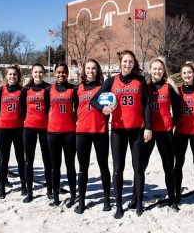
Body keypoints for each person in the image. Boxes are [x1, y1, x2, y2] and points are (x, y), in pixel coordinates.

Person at [90, 50, 150, 219]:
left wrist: (148, 127)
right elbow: (94, 100)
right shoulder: (111, 81)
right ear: (120, 63)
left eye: (130, 62)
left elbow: (146, 105)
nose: (127, 64)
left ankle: (138, 203)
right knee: (118, 169)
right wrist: (104, 108)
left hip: (137, 130)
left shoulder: (140, 80)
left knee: (138, 168)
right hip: (117, 131)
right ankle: (118, 206)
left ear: (134, 64)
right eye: (125, 61)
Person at [130, 57, 180, 211]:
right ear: (150, 70)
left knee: (168, 167)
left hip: (165, 132)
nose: (157, 71)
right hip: (148, 133)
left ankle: (172, 199)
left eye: (160, 69)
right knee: (140, 167)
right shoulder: (145, 87)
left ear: (163, 70)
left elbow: (177, 111)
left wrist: (171, 123)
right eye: (154, 69)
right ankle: (135, 199)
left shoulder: (169, 88)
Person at [73, 59, 111, 214]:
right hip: (82, 133)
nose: (91, 71)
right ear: (84, 71)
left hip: (100, 132)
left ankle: (107, 201)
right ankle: (81, 202)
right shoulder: (78, 89)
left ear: (98, 71)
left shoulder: (104, 88)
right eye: (88, 68)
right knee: (83, 169)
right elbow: (75, 108)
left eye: (94, 68)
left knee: (103, 167)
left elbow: (110, 108)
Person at [174, 62, 194, 206]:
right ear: (181, 76)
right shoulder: (177, 91)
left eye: (189, 72)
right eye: (184, 73)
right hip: (180, 132)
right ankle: (177, 193)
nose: (187, 75)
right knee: (178, 164)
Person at [45, 63, 77, 208]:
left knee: (70, 165)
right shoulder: (48, 90)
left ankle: (73, 195)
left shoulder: (73, 89)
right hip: (53, 133)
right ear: (54, 73)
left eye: (64, 72)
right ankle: (55, 195)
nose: (61, 74)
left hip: (70, 132)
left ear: (68, 73)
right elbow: (46, 109)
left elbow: (77, 108)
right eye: (58, 72)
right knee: (55, 166)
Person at [19, 63, 51, 203]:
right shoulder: (26, 90)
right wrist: (27, 119)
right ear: (32, 74)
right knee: (28, 161)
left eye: (40, 72)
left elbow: (51, 107)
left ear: (44, 73)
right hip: (29, 128)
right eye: (36, 72)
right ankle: (29, 191)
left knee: (47, 160)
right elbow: (21, 109)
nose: (38, 74)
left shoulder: (48, 89)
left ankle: (50, 189)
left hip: (45, 128)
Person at [0, 65, 26, 199]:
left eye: (15, 74)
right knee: (4, 159)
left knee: (21, 159)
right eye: (10, 74)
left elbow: (25, 109)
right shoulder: (0, 91)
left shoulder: (22, 91)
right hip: (3, 129)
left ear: (18, 77)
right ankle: (2, 187)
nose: (12, 77)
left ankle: (24, 185)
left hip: (19, 129)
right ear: (6, 76)